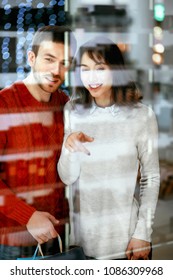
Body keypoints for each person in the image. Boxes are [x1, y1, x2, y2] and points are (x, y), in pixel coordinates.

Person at [58, 36, 160, 260]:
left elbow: (150, 178)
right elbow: (67, 178)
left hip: (127, 239)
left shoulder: (141, 115)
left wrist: (143, 233)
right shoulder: (73, 110)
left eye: (100, 68)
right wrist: (69, 147)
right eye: (85, 69)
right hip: (83, 241)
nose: (91, 78)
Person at [0, 25, 77, 259]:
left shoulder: (66, 105)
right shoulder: (4, 105)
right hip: (14, 241)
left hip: (58, 237)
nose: (56, 70)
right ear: (31, 58)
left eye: (64, 63)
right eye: (49, 59)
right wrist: (28, 216)